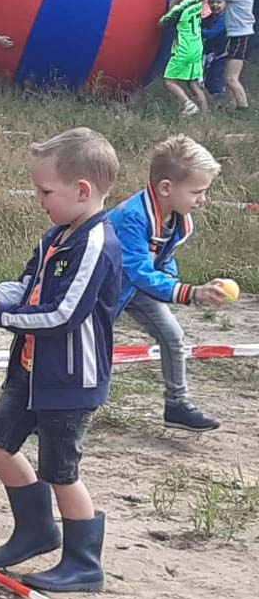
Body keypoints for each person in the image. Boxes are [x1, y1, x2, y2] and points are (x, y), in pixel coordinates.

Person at [0, 128, 122, 592]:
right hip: (31, 372)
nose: (38, 199)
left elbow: (63, 314)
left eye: (45, 191)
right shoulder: (57, 236)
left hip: (70, 381)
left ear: (83, 190)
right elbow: (26, 288)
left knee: (61, 473)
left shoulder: (96, 244)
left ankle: (84, 564)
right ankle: (36, 531)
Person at [108, 136, 228, 432]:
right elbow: (139, 271)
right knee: (78, 347)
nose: (203, 200)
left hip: (134, 289)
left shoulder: (179, 220)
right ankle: (36, 406)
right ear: (166, 188)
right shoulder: (133, 217)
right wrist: (190, 292)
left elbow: (162, 260)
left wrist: (173, 284)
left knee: (172, 335)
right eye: (197, 192)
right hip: (99, 289)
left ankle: (177, 404)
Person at [167, 0, 258, 110]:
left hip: (241, 38)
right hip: (239, 37)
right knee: (229, 77)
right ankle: (238, 106)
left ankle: (243, 109)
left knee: (231, 78)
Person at [159, 0, 208, 117]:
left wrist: (171, 6)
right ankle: (205, 113)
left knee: (169, 81)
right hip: (197, 47)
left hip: (183, 49)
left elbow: (163, 23)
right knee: (193, 82)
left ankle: (188, 105)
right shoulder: (197, 0)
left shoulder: (180, 8)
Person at [202, 0, 229, 99]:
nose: (215, 5)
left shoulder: (226, 19)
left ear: (225, 4)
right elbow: (201, 22)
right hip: (210, 51)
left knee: (217, 76)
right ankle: (211, 98)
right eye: (212, 2)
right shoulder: (209, 18)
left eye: (218, 2)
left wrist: (195, 30)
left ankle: (221, 99)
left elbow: (211, 33)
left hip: (222, 53)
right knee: (208, 76)